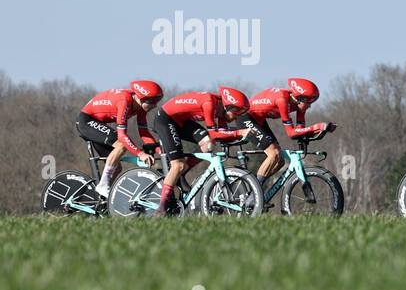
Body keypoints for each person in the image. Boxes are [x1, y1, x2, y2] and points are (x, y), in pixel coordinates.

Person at [150, 87, 252, 216]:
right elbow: (215, 134)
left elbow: (221, 134)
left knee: (208, 144)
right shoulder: (209, 103)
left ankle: (181, 174)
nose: (236, 118)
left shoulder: (221, 110)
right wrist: (239, 132)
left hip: (182, 121)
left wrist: (238, 137)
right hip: (165, 120)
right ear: (228, 106)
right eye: (236, 113)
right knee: (178, 165)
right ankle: (161, 208)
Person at [77, 81, 162, 196]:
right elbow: (122, 136)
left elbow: (144, 132)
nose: (155, 105)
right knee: (121, 145)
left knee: (116, 168)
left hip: (98, 123)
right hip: (86, 121)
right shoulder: (124, 101)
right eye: (152, 102)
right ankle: (103, 186)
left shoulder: (141, 107)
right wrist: (140, 154)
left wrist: (159, 151)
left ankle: (100, 198)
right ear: (140, 98)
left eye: (157, 102)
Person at [246, 78, 337, 184]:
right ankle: (255, 194)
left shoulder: (299, 106)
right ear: (300, 98)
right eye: (309, 101)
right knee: (274, 154)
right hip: (246, 117)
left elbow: (300, 131)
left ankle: (258, 188)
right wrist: (317, 127)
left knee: (280, 161)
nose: (310, 106)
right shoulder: (282, 100)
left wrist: (322, 130)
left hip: (260, 121)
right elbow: (291, 133)